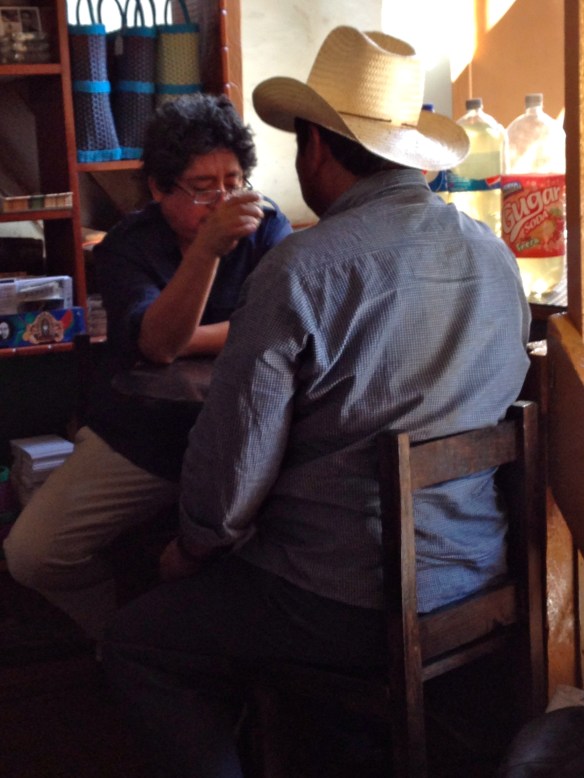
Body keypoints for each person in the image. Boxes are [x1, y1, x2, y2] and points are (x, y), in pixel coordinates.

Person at [102, 27, 531, 777]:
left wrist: (193, 546)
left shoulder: (303, 267)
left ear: (317, 148)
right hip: (476, 574)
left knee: (140, 643)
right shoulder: (494, 258)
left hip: (340, 600)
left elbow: (232, 475)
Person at [2, 94, 292, 644]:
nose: (225, 199)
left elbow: (279, 329)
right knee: (33, 554)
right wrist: (206, 252)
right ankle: (129, 638)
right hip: (144, 434)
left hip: (246, 433)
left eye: (235, 180)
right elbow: (159, 346)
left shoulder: (268, 226)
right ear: (160, 190)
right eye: (203, 187)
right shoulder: (130, 244)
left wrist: (188, 341)